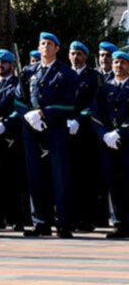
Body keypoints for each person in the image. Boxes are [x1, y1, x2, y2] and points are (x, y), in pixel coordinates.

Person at [15, 32, 77, 238]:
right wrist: (28, 115)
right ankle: (41, 222)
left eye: (50, 44)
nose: (46, 47)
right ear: (39, 48)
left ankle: (63, 223)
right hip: (32, 131)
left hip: (55, 130)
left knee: (60, 178)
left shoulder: (66, 74)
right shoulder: (27, 71)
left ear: (57, 48)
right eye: (43, 43)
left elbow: (69, 104)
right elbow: (18, 99)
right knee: (35, 177)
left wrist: (43, 114)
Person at [67, 41, 108, 231]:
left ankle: (87, 219)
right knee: (69, 176)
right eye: (73, 53)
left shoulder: (93, 76)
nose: (76, 57)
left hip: (86, 132)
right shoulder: (64, 74)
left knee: (87, 176)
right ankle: (71, 217)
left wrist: (78, 119)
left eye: (79, 54)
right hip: (66, 131)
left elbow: (95, 103)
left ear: (86, 56)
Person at [0, 49, 28, 231]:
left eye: (3, 62)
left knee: (14, 180)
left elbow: (20, 108)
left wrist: (5, 122)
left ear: (12, 64)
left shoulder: (18, 84)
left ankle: (17, 218)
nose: (0, 65)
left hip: (12, 138)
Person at [90, 50, 129, 239]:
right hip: (108, 144)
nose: (118, 66)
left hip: (126, 142)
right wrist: (104, 134)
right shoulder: (104, 89)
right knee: (114, 184)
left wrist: (120, 132)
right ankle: (120, 224)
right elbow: (95, 114)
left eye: (123, 62)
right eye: (116, 62)